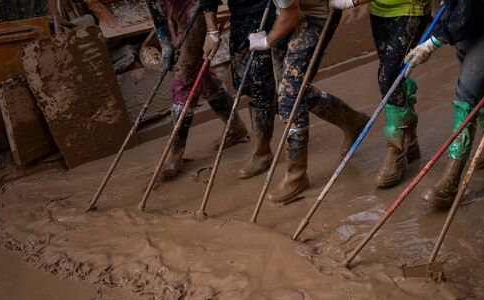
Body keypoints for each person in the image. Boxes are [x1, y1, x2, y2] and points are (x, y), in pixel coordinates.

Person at [248, 0, 370, 203]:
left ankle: (296, 175)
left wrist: (267, 41)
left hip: (315, 15)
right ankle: (352, 121)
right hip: (287, 11)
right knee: (288, 93)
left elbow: (291, 15)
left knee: (289, 98)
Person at [404, 0, 484, 208]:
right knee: (477, 81)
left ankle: (450, 181)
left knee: (466, 92)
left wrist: (432, 43)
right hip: (465, 22)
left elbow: (464, 17)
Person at [329, 0, 431, 187]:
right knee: (394, 76)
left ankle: (396, 149)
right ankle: (410, 138)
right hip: (379, 9)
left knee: (387, 77)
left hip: (409, 7)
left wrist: (352, 1)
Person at [146, 0, 249, 178]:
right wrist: (164, 40)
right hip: (171, 7)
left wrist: (212, 31)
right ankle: (236, 127)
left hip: (194, 4)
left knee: (185, 73)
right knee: (201, 76)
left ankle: (175, 152)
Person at [199, 0, 279, 179]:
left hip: (268, 14)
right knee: (243, 82)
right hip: (240, 18)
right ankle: (350, 120)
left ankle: (262, 153)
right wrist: (212, 32)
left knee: (260, 85)